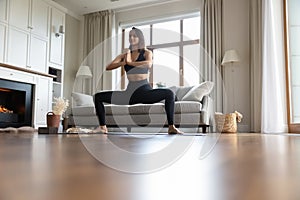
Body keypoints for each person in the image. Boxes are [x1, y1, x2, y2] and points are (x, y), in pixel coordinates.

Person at [93, 27, 183, 134]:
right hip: (129, 94)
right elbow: (108, 67)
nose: (131, 38)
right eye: (130, 36)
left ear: (140, 38)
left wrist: (131, 63)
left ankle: (171, 127)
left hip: (145, 92)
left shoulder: (146, 53)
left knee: (169, 93)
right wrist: (124, 62)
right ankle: (103, 127)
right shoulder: (124, 56)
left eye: (134, 36)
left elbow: (148, 64)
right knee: (98, 97)